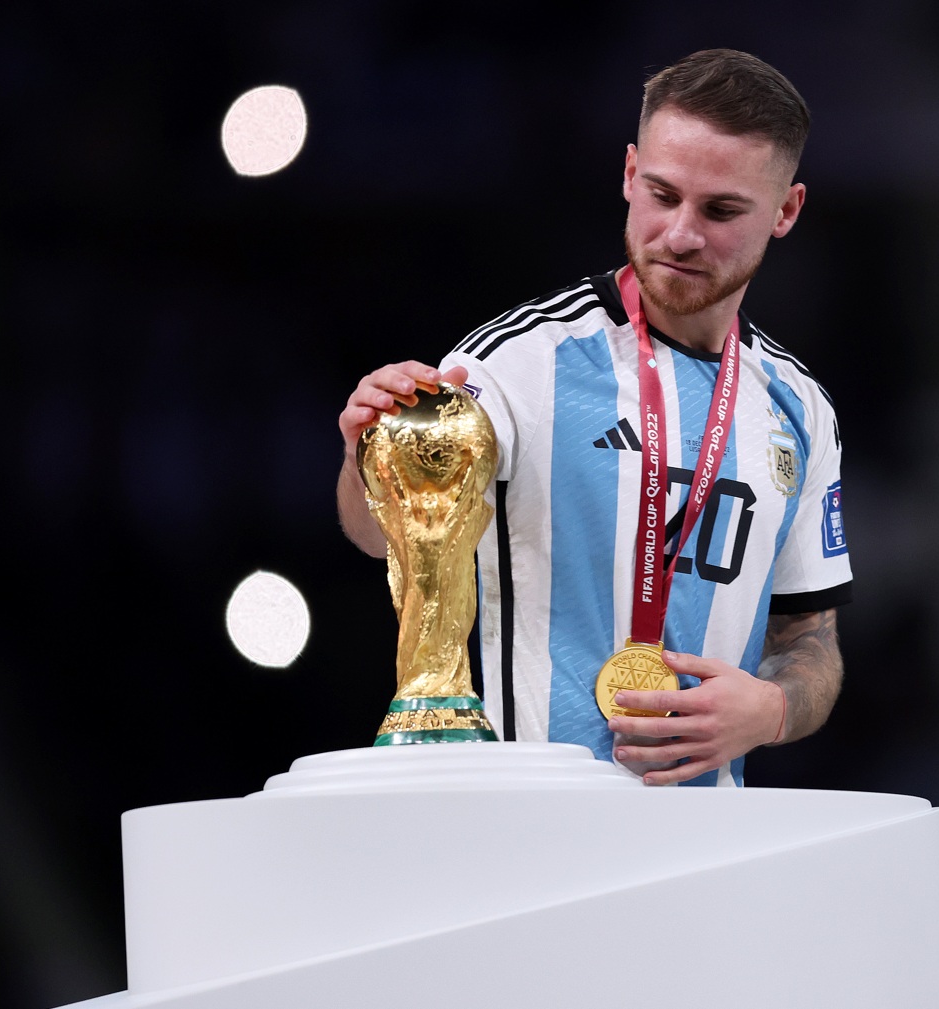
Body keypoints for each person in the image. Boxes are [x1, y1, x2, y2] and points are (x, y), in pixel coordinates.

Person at [336, 49, 852, 786]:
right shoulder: (517, 362)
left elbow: (811, 638)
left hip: (713, 845)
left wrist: (770, 710)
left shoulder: (799, 409)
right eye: (661, 194)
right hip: (531, 827)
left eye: (721, 209)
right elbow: (376, 536)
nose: (679, 233)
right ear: (627, 172)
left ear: (785, 211)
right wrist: (368, 460)